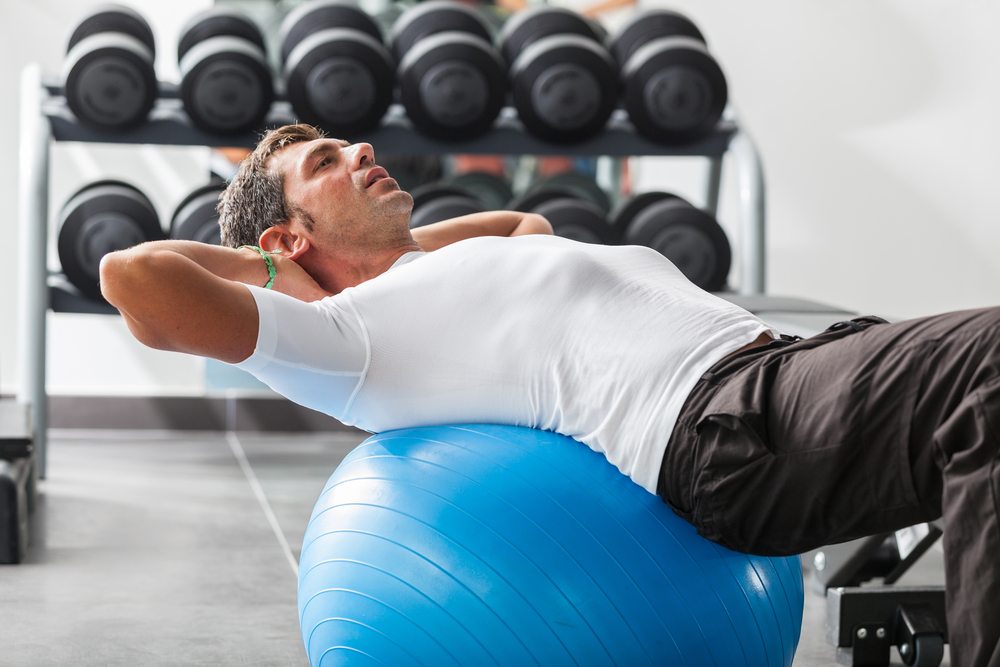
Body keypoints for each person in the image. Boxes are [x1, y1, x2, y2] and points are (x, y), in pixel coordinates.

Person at [100, 124, 999, 666]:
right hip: (733, 423)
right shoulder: (348, 337)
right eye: (328, 162)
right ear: (285, 237)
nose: (362, 148)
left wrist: (392, 245)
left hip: (790, 372)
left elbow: (523, 226)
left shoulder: (434, 276)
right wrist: (277, 264)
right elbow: (131, 276)